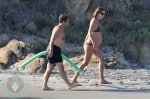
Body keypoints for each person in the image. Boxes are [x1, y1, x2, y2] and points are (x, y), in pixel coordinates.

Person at [72, 7, 111, 85]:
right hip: (91, 45)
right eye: (102, 14)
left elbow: (88, 34)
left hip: (92, 45)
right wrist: (94, 44)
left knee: (102, 59)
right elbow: (89, 32)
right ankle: (74, 79)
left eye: (104, 14)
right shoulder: (93, 20)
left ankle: (102, 79)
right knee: (85, 62)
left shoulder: (96, 21)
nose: (103, 15)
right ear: (97, 13)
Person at [42, 14, 76, 90]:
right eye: (67, 22)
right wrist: (51, 50)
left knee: (49, 68)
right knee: (60, 68)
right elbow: (52, 40)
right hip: (54, 49)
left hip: (56, 49)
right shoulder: (57, 29)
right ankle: (69, 84)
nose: (68, 23)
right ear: (63, 21)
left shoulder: (61, 29)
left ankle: (44, 85)